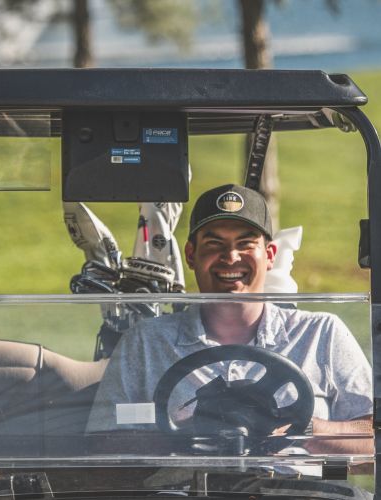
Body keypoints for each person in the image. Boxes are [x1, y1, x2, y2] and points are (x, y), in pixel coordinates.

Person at [86, 184, 373, 452]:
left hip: (297, 483)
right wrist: (194, 430)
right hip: (187, 483)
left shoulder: (321, 333)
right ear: (191, 255)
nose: (231, 257)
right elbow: (102, 444)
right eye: (214, 244)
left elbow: (373, 438)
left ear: (270, 255)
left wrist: (301, 426)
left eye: (246, 244)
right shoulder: (147, 341)